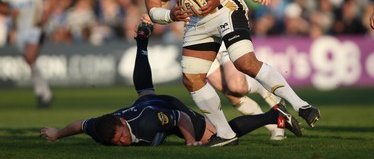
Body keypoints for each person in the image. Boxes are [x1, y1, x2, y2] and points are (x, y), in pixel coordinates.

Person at [137, 0, 320, 147]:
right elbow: (153, 9)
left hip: (225, 9)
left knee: (244, 62)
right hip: (197, 21)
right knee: (192, 78)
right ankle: (225, 133)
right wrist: (171, 16)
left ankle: (301, 105)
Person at [39, 21, 302, 146]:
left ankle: (274, 115)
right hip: (145, 104)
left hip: (168, 109)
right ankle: (142, 42)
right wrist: (57, 133)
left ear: (122, 124)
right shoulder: (102, 130)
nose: (121, 142)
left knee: (220, 137)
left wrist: (190, 141)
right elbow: (81, 125)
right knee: (144, 91)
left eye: (120, 136)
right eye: (116, 141)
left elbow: (176, 116)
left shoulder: (146, 124)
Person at [175, 0, 285, 141]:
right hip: (197, 35)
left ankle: (267, 93)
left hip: (222, 27)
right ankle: (274, 125)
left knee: (236, 85)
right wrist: (154, 14)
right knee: (231, 93)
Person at [0, 0, 57, 108]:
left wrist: (46, 14)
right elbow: (2, 7)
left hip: (35, 28)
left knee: (29, 56)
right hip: (19, 31)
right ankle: (44, 93)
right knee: (30, 62)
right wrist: (10, 11)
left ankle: (45, 94)